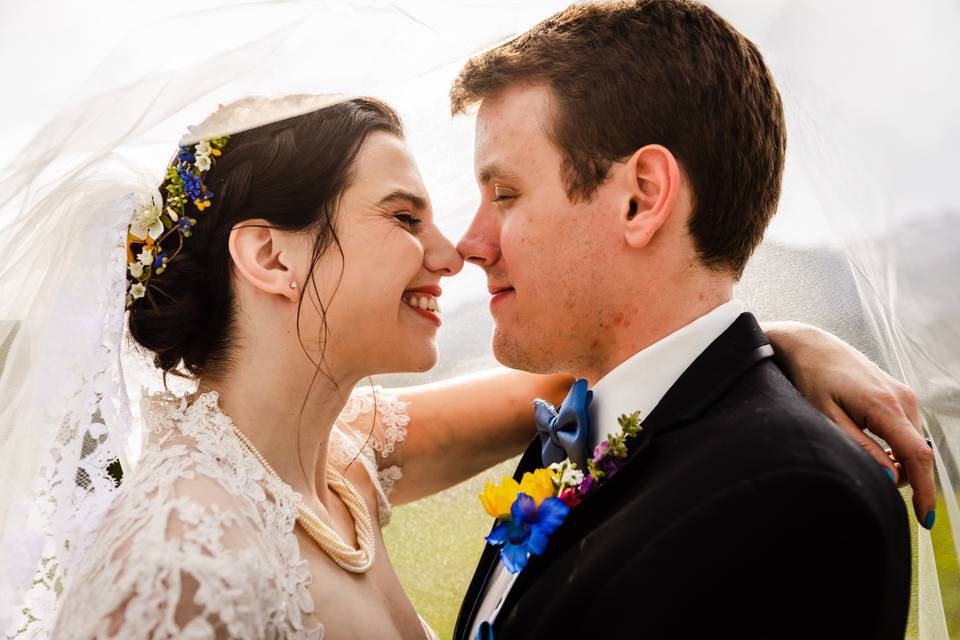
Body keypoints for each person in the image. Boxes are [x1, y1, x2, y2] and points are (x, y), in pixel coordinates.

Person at [0, 81, 927, 640]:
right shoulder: (177, 560)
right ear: (269, 257)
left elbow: (602, 376)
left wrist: (774, 346)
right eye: (405, 218)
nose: (452, 254)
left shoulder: (335, 465)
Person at [449, 2, 920, 639]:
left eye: (505, 195)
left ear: (642, 197)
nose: (468, 244)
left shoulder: (795, 502)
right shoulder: (577, 429)